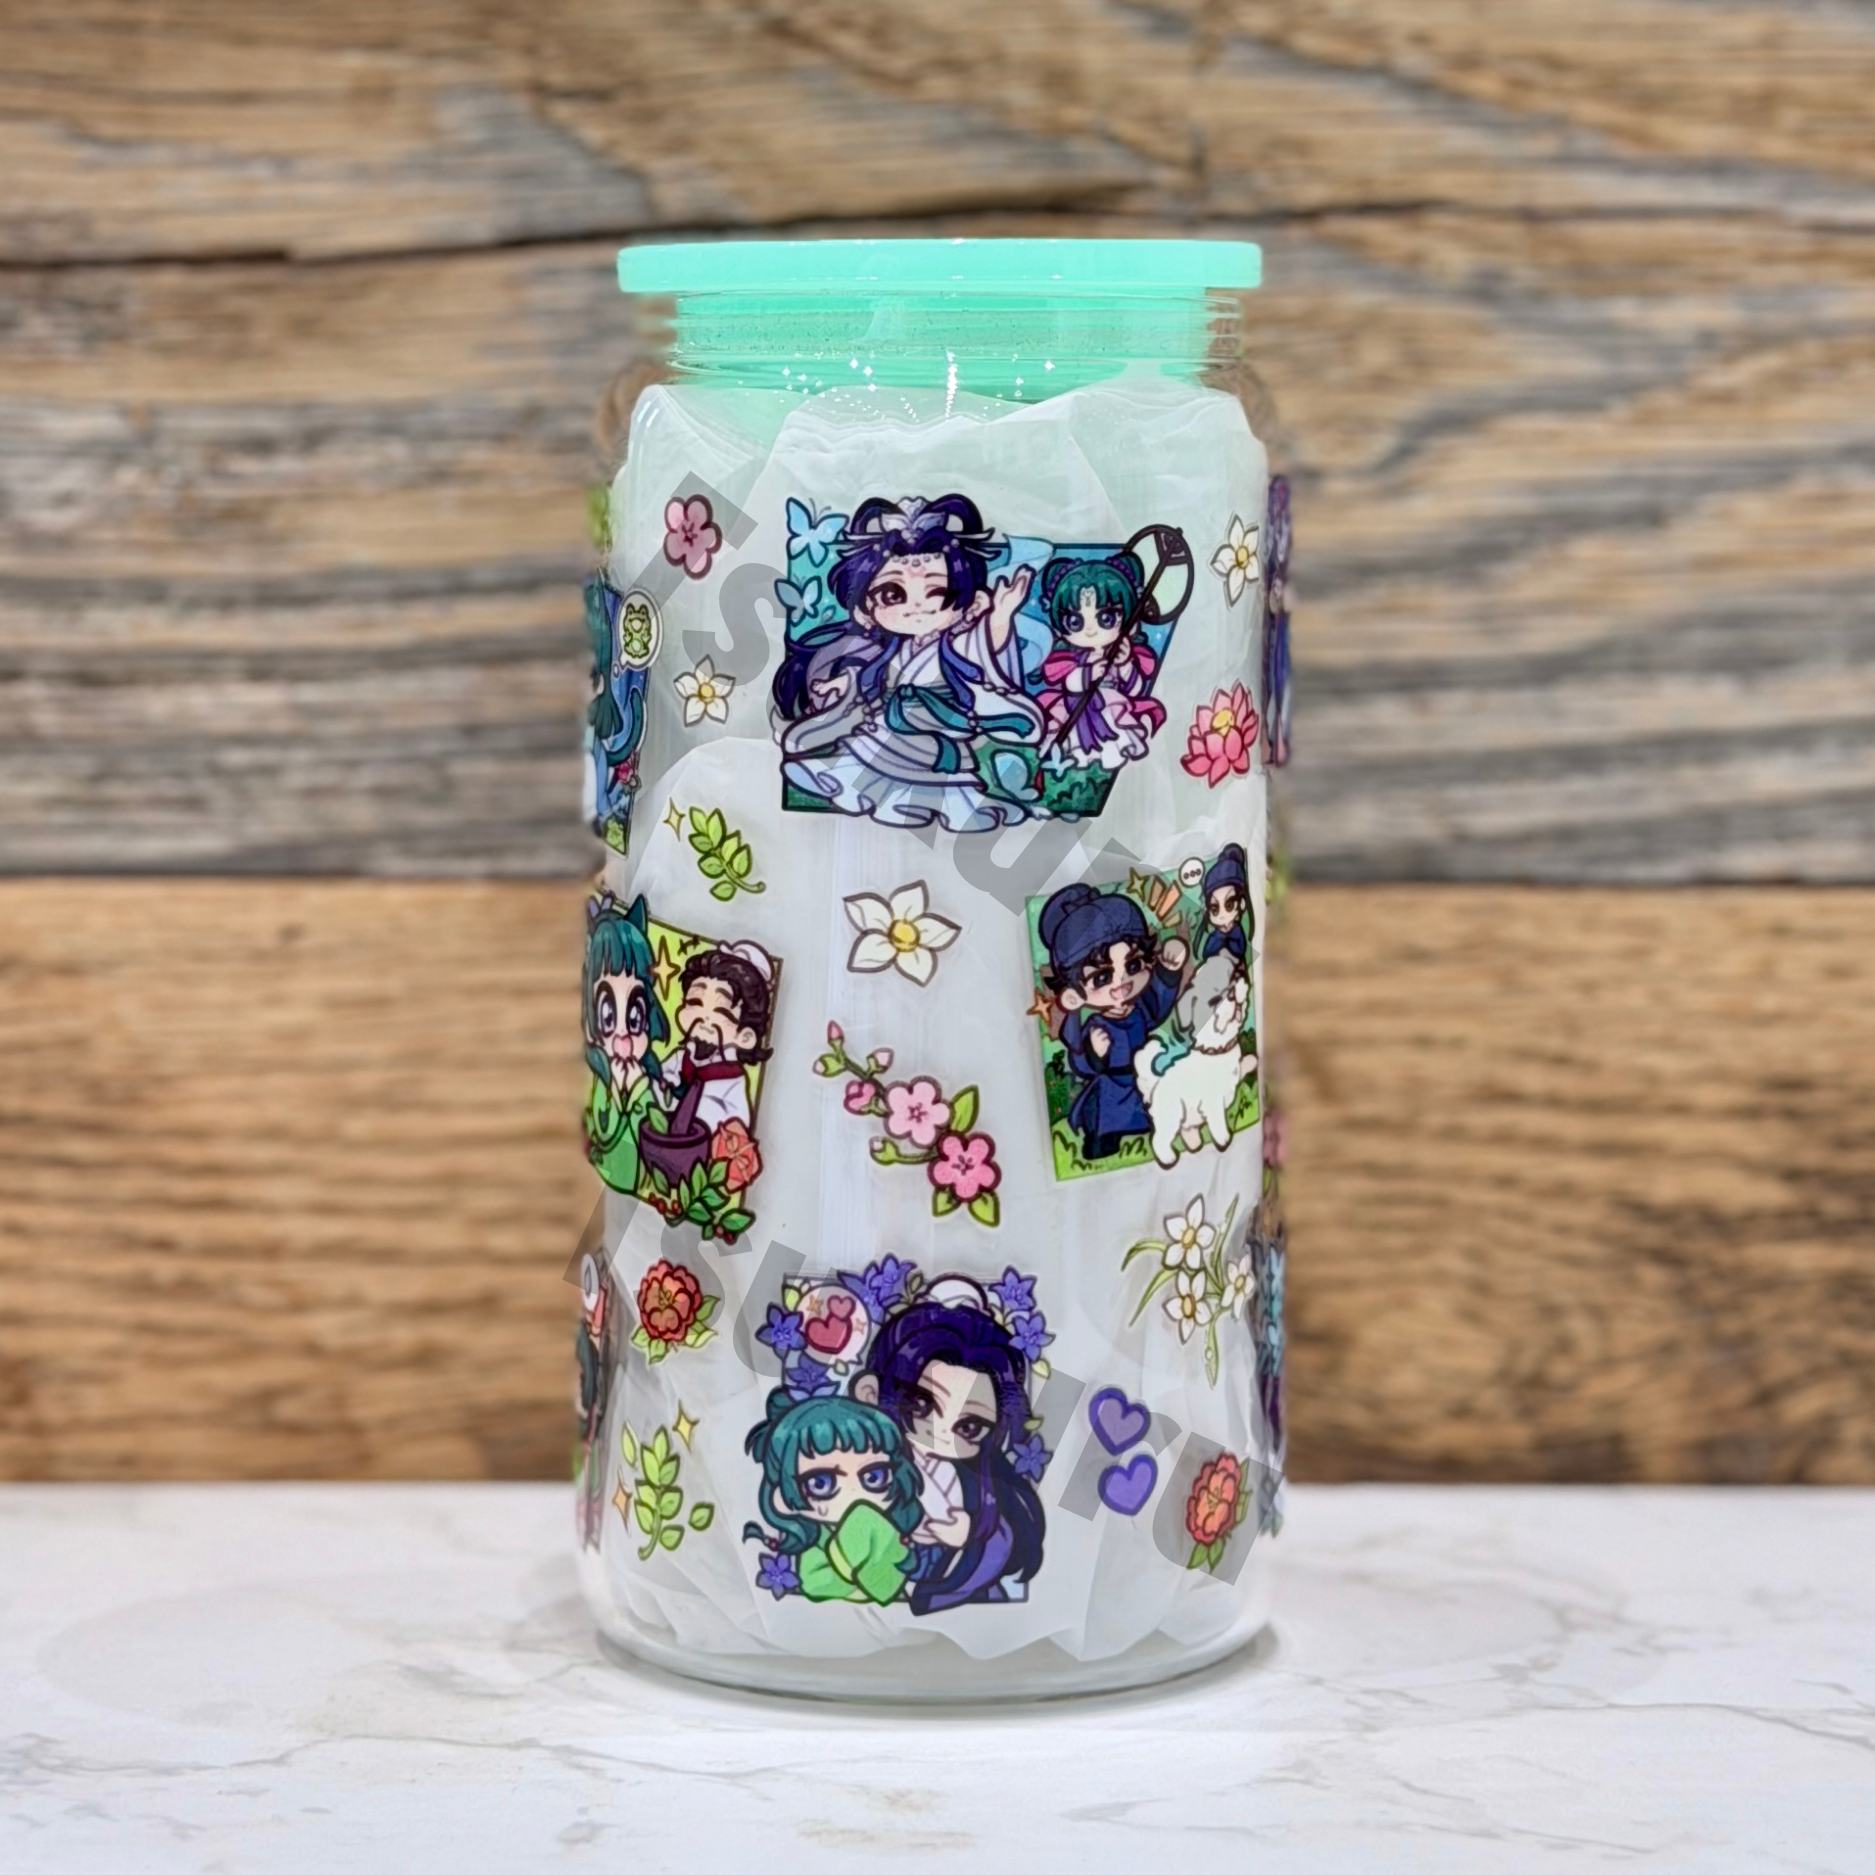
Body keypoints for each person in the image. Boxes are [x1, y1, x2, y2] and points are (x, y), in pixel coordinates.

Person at [771, 494, 1045, 831]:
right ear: (864, 607)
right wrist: (842, 683)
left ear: (971, 603)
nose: (916, 607)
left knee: (923, 783)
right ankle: (856, 789)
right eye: (893, 595)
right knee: (866, 763)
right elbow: (872, 676)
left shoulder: (957, 645)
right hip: (890, 726)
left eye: (937, 593)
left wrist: (1001, 616)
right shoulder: (890, 648)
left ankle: (917, 806)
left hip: (934, 725)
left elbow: (985, 648)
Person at [853, 1299, 1045, 1614]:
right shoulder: (865, 1457)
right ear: (871, 1394)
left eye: (969, 1426)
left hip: (953, 1585)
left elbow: (1003, 1536)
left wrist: (970, 1534)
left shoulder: (981, 1479)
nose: (940, 1432)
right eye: (920, 1406)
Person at [1038, 883, 1187, 1162]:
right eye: (1102, 978)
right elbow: (1080, 1061)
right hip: (1109, 1091)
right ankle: (1100, 1147)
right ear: (1075, 988)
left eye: (1133, 966)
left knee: (1151, 1122)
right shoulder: (1096, 1025)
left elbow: (1158, 1005)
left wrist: (1168, 971)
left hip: (1142, 1083)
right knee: (1104, 1134)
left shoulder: (1139, 1010)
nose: (1121, 984)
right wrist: (1094, 1052)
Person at [743, 1392, 923, 1606]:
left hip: (893, 1601)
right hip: (831, 1610)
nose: (854, 1492)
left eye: (874, 1477)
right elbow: (813, 1583)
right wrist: (851, 1572)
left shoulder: (881, 1525)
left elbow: (900, 1564)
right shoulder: (816, 1539)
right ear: (781, 1497)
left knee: (863, 1517)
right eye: (820, 1483)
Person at [1035, 551, 1165, 769]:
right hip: (1075, 710)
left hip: (1112, 708)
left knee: (1114, 744)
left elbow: (1134, 691)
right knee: (1071, 745)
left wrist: (1125, 665)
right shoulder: (1068, 659)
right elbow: (1070, 684)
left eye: (1106, 618)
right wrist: (1087, 675)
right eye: (1075, 621)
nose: (1090, 630)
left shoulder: (1123, 654)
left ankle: (1103, 767)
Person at [581, 894, 669, 1195]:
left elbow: (651, 1141)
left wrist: (638, 1090)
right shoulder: (599, 1080)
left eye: (634, 1017)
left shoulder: (647, 1083)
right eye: (608, 1016)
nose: (623, 1037)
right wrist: (618, 1093)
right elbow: (604, 1135)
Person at [1196, 843, 1251, 967]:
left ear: (1241, 903)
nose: (1222, 915)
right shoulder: (1214, 936)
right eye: (1214, 909)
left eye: (1229, 905)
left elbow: (1239, 950)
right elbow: (1207, 953)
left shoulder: (1237, 933)